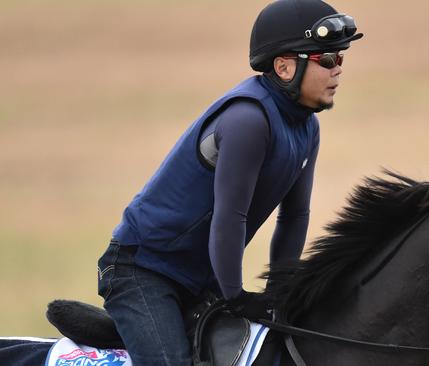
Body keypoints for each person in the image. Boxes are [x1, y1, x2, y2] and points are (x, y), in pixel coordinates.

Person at [95, 0, 363, 365]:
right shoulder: (248, 120)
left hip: (197, 280)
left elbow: (295, 217)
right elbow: (229, 216)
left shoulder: (307, 127)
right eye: (327, 60)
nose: (337, 71)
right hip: (142, 270)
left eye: (341, 59)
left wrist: (279, 295)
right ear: (284, 67)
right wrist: (235, 295)